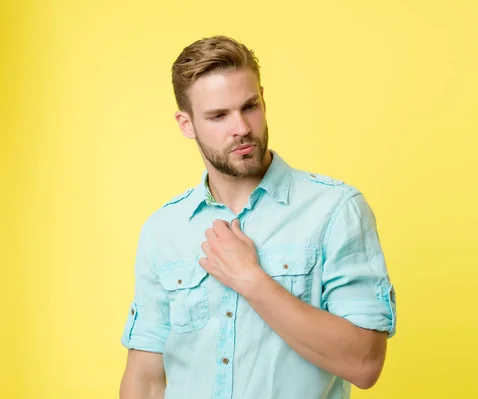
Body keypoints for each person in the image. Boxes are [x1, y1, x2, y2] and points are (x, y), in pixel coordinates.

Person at [119, 35, 397, 399]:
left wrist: (251, 280)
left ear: (263, 99)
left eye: (249, 106)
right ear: (186, 124)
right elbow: (145, 379)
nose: (242, 128)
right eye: (218, 115)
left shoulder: (334, 209)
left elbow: (364, 363)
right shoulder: (163, 230)